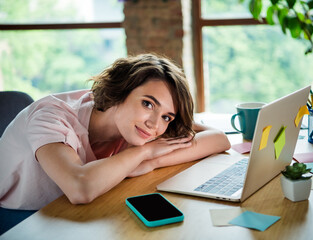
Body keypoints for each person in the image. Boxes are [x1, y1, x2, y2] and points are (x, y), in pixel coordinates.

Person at [0, 53, 231, 212]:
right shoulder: (51, 116)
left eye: (166, 117)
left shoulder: (132, 125)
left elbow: (219, 139)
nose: (154, 125)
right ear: (121, 92)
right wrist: (145, 153)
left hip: (70, 211)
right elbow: (80, 188)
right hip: (21, 217)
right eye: (148, 104)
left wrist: (150, 162)